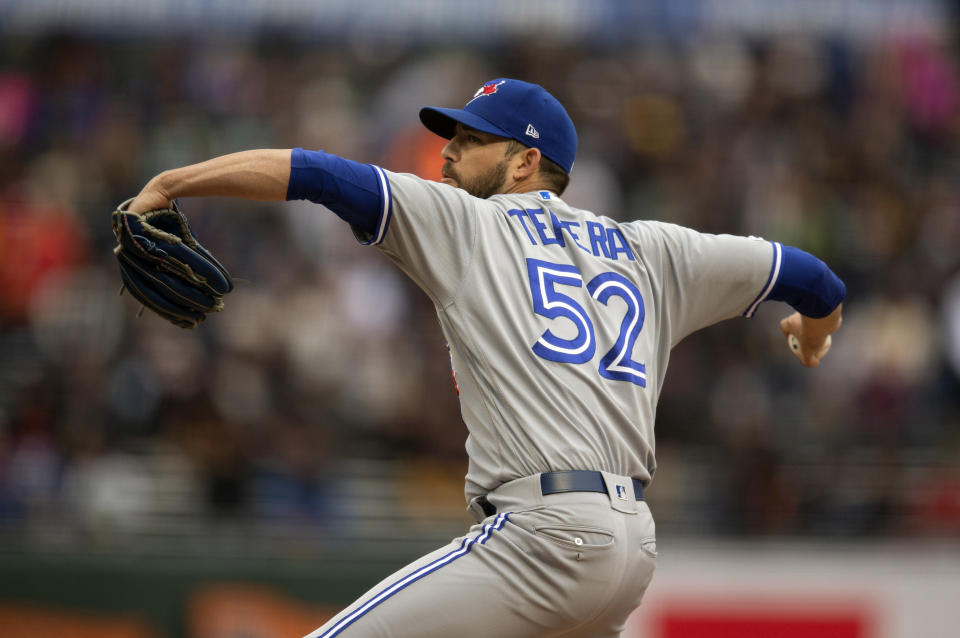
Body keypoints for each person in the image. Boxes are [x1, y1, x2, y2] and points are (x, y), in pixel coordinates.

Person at [128, 78, 845, 637]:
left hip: (543, 538)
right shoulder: (655, 250)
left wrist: (171, 184)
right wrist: (811, 341)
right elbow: (818, 283)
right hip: (629, 549)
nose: (446, 153)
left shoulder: (470, 221)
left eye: (471, 140)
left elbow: (316, 173)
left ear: (526, 161)